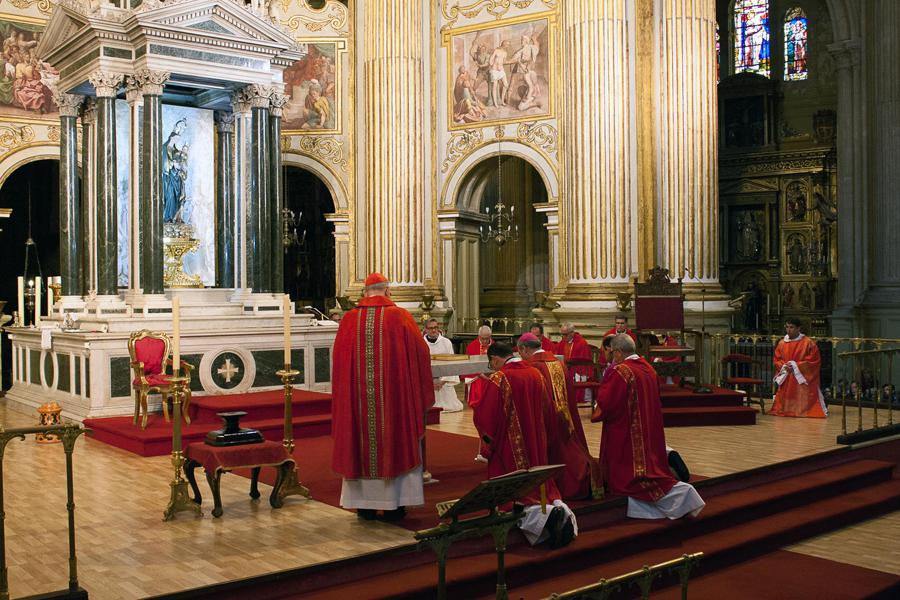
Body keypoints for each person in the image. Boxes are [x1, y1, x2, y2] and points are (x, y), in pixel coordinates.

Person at [331, 273, 436, 521]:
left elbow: (339, 363)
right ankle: (395, 505)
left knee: (360, 444)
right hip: (394, 401)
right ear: (387, 291)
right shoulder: (400, 317)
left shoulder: (349, 320)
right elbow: (421, 353)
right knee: (395, 441)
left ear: (364, 293)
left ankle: (364, 506)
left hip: (358, 404)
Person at [472, 342, 577, 548]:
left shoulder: (500, 378)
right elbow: (547, 409)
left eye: (492, 364)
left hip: (510, 446)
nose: (493, 368)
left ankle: (542, 522)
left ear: (494, 359)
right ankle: (560, 510)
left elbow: (486, 417)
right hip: (536, 441)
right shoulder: (535, 373)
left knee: (518, 491)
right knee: (540, 486)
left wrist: (488, 445)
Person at [591, 334, 705, 519]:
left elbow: (607, 403)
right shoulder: (648, 368)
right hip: (647, 427)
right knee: (649, 465)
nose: (611, 356)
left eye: (612, 352)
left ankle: (679, 497)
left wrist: (598, 409)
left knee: (629, 478)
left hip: (626, 430)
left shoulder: (621, 371)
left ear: (619, 352)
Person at [517, 333, 601, 500]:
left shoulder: (532, 367)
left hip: (546, 422)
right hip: (566, 419)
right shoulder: (558, 363)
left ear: (525, 349)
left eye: (520, 352)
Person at [771, 318, 827, 418]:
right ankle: (787, 409)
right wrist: (784, 366)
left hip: (801, 375)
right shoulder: (782, 343)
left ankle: (802, 410)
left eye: (791, 327)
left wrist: (795, 366)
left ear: (798, 328)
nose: (788, 330)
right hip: (787, 373)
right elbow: (777, 359)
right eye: (787, 327)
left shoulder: (808, 343)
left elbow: (813, 360)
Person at [423, 318, 463, 413]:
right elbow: (419, 365)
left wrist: (442, 382)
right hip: (428, 381)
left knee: (452, 406)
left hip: (443, 380)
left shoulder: (446, 342)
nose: (434, 330)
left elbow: (451, 364)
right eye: (431, 328)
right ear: (426, 329)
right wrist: (429, 382)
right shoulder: (421, 343)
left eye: (436, 327)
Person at [557, 322, 593, 406]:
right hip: (565, 370)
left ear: (572, 333)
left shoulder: (581, 343)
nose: (563, 337)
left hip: (578, 372)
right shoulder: (562, 342)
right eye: (561, 334)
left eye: (565, 334)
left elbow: (585, 362)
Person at [163, 118, 189, 223]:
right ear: (172, 137)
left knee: (178, 198)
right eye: (176, 138)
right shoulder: (164, 148)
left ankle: (176, 217)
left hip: (177, 178)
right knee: (170, 197)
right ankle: (168, 217)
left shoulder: (176, 151)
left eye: (178, 139)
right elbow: (164, 164)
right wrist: (171, 166)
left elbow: (182, 163)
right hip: (168, 178)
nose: (177, 141)